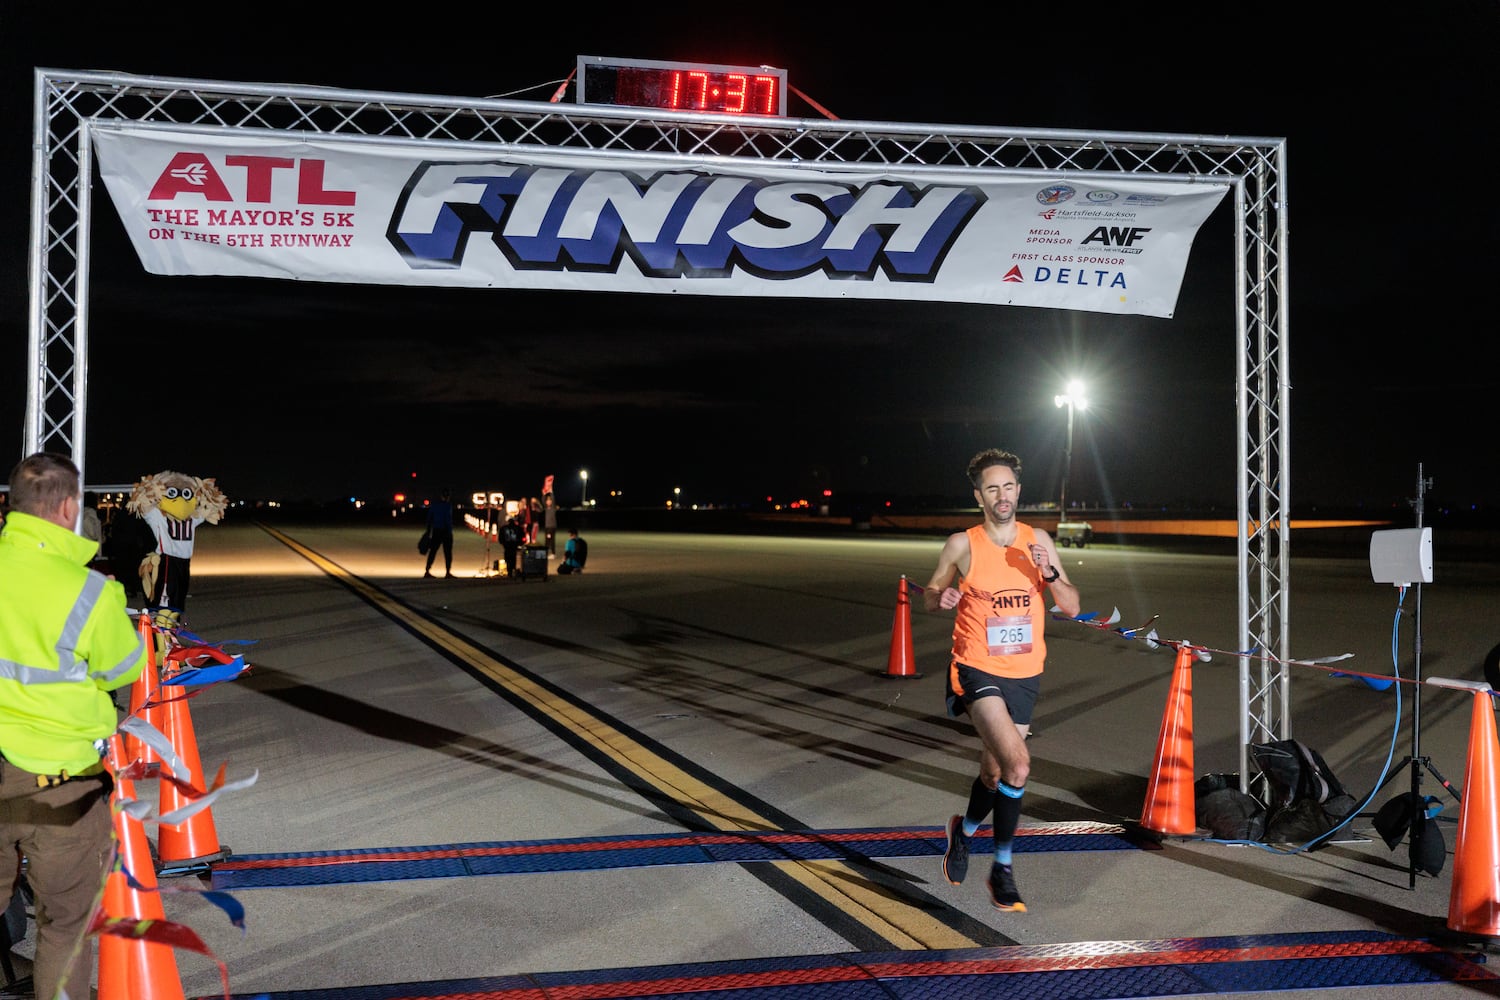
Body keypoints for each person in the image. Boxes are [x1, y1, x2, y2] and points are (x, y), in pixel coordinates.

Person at [0, 453, 146, 1000]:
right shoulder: (89, 592)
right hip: (61, 788)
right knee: (65, 928)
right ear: (66, 507)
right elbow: (121, 669)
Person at [922, 448, 1079, 914]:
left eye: (1008, 486)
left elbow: (1070, 606)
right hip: (976, 668)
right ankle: (1003, 868)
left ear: (1018, 491)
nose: (1002, 495)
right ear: (979, 496)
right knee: (1018, 766)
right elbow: (932, 593)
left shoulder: (1039, 541)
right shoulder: (962, 544)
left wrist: (1048, 573)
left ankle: (964, 832)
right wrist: (942, 596)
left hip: (1025, 675)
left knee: (993, 774)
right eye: (992, 488)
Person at [423, 489, 455, 578]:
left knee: (433, 551)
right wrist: (449, 531)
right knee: (447, 553)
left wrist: (428, 531)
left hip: (436, 531)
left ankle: (427, 570)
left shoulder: (435, 505)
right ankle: (448, 572)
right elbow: (448, 519)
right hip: (445, 531)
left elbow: (429, 519)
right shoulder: (448, 506)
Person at [542, 492, 558, 557]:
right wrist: (544, 494)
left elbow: (553, 499)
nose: (548, 502)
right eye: (547, 501)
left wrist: (551, 492)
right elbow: (543, 500)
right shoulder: (546, 508)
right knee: (547, 540)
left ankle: (553, 553)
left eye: (549, 500)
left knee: (550, 540)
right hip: (547, 527)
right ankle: (547, 553)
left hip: (551, 527)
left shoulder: (553, 508)